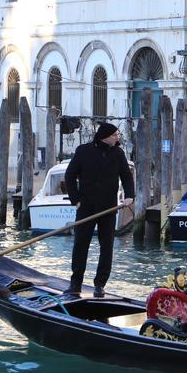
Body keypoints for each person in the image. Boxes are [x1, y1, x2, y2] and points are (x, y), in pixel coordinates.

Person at [64, 122, 134, 298]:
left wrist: (129, 196)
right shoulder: (83, 151)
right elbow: (70, 175)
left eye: (118, 135)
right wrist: (76, 200)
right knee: (81, 245)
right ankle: (75, 284)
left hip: (108, 207)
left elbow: (126, 176)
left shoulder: (118, 154)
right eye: (115, 135)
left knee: (106, 247)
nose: (118, 137)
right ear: (106, 136)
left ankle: (100, 285)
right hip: (86, 206)